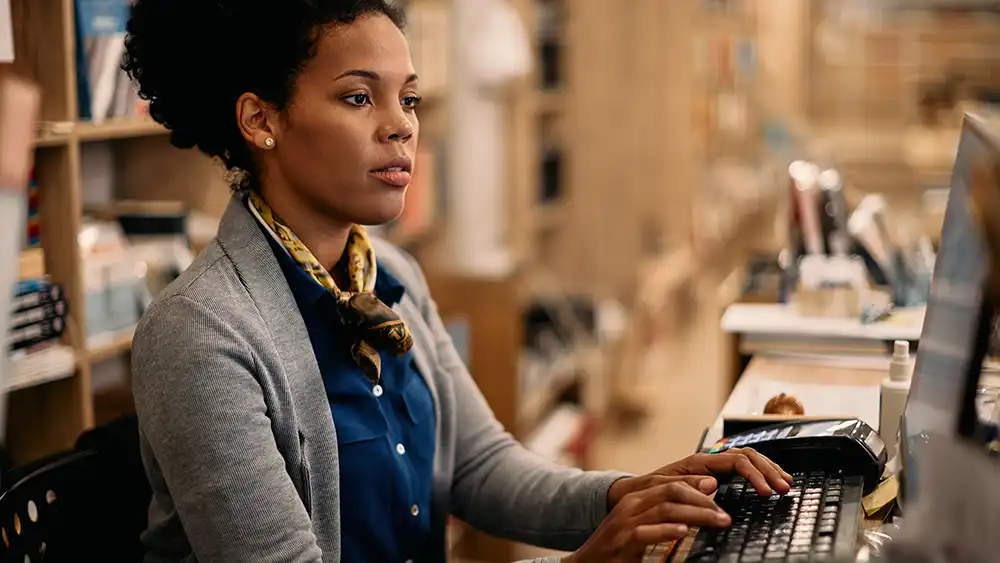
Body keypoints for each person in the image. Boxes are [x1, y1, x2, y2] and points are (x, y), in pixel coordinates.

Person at [122, 2, 792, 562]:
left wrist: (636, 494)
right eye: (359, 97)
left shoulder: (394, 277)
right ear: (261, 119)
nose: (403, 125)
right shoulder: (199, 335)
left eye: (407, 98)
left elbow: (480, 468)